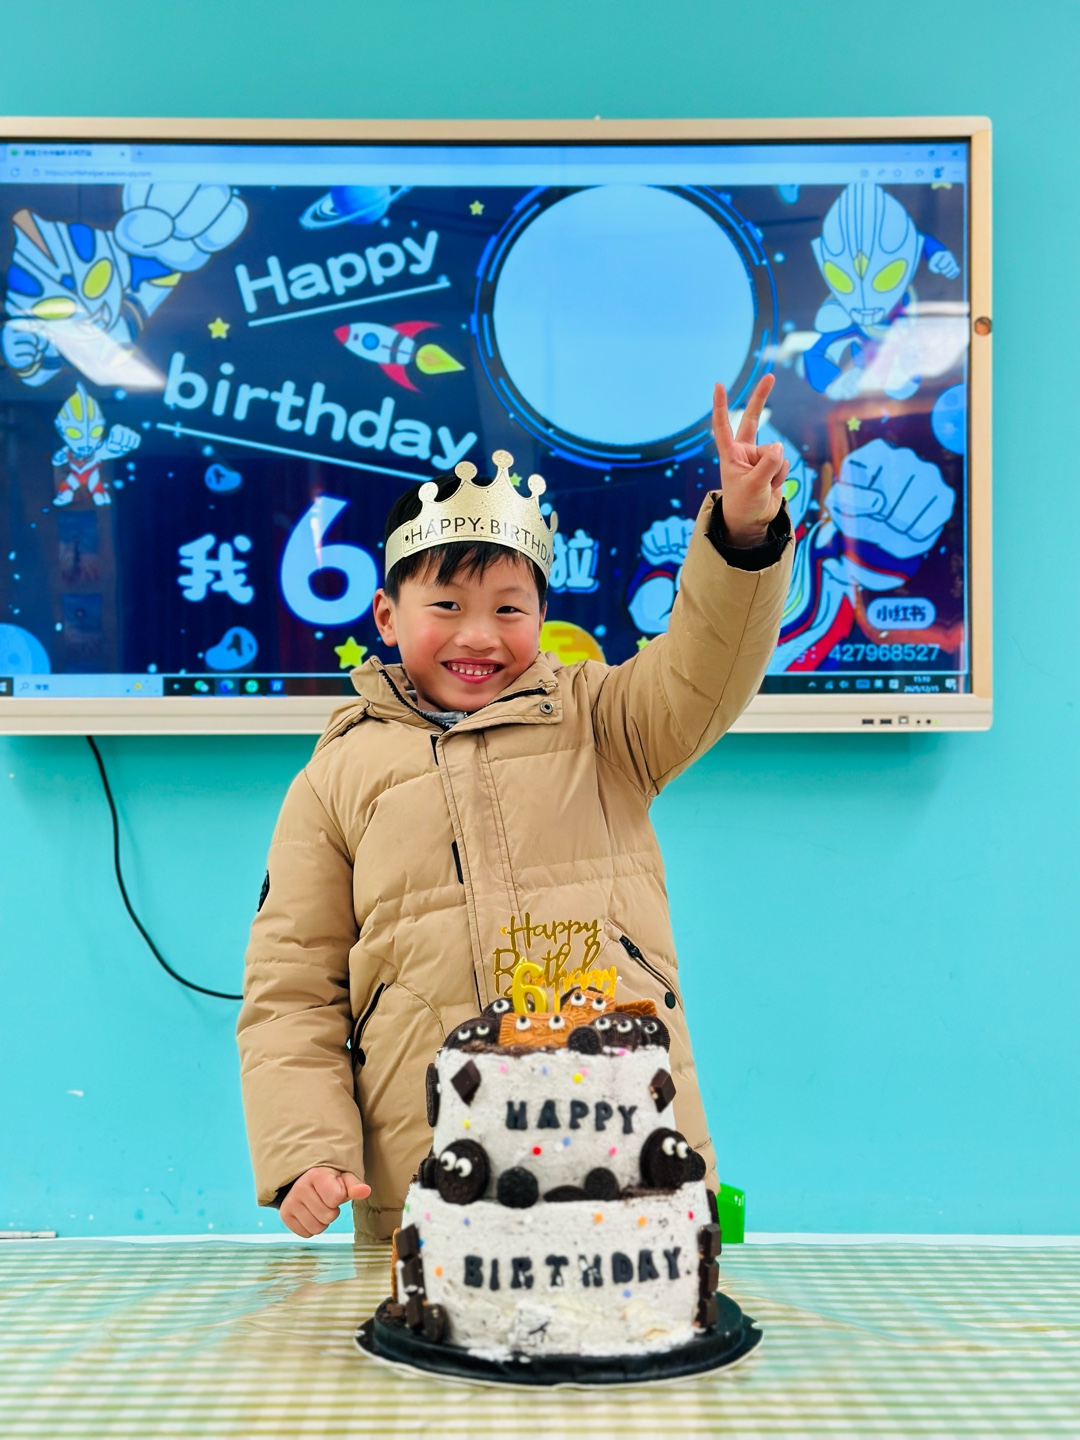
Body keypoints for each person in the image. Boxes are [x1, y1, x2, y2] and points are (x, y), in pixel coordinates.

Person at [238, 376, 794, 1241]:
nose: (479, 635)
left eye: (509, 608)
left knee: (646, 1327)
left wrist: (744, 534)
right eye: (446, 606)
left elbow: (705, 662)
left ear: (541, 616)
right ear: (386, 615)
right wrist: (307, 1150)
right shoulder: (333, 780)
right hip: (430, 1184)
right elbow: (292, 994)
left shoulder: (607, 721)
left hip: (629, 1167)